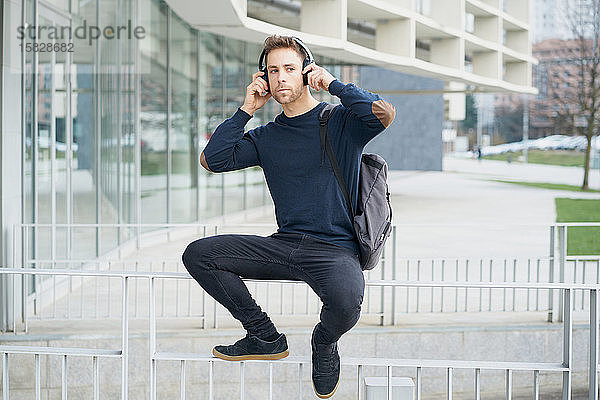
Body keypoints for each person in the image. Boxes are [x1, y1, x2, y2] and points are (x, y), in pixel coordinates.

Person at [181, 35, 395, 399]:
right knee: (199, 254)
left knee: (346, 303)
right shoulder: (266, 136)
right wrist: (246, 109)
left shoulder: (340, 122)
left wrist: (333, 85)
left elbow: (382, 113)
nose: (281, 78)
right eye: (273, 70)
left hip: (334, 249)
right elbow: (212, 160)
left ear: (306, 72)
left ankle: (324, 343)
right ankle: (263, 335)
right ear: (263, 77)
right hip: (283, 246)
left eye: (290, 69)